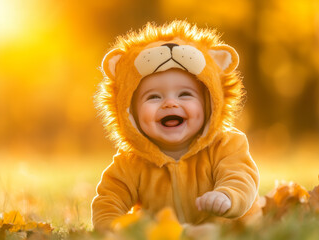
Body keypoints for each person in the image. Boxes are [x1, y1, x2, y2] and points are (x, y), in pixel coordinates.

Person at [91, 20, 260, 231]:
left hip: (226, 230)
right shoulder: (130, 163)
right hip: (166, 234)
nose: (170, 103)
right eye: (153, 97)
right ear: (130, 112)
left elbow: (241, 177)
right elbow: (108, 201)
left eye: (185, 94)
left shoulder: (226, 145)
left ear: (209, 103)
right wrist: (112, 229)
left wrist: (226, 196)